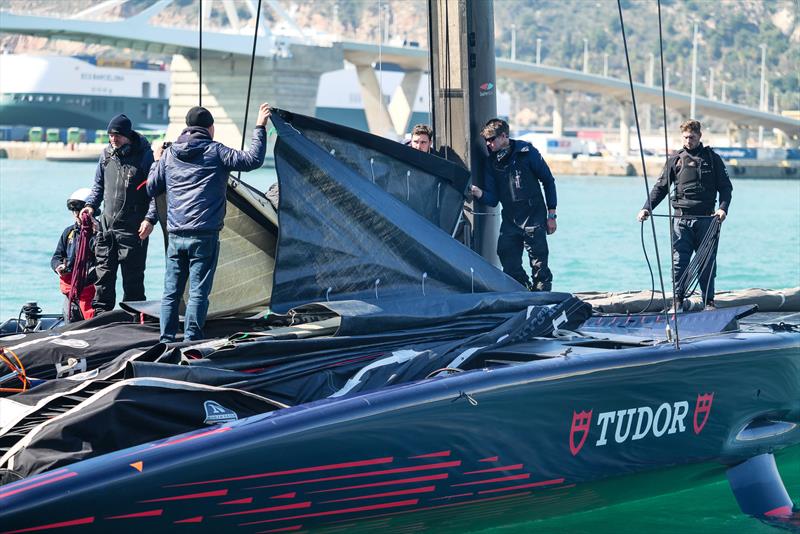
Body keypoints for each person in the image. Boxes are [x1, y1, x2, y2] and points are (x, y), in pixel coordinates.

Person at [147, 103, 270, 342]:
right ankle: (191, 340)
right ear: (210, 128)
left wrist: (156, 159)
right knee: (197, 293)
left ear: (187, 128)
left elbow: (151, 187)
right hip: (204, 234)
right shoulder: (216, 151)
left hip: (175, 234)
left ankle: (166, 339)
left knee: (171, 292)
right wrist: (260, 126)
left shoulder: (170, 154)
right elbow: (253, 160)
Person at [637, 119, 732, 310]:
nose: (689, 140)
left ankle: (709, 302)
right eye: (686, 137)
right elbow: (661, 188)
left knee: (706, 264)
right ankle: (678, 301)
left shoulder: (713, 159)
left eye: (692, 137)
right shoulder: (675, 160)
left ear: (700, 136)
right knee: (679, 262)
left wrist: (723, 208)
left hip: (707, 220)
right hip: (681, 219)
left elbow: (726, 188)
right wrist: (646, 208)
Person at [80, 114, 156, 313]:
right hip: (107, 228)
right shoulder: (106, 155)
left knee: (133, 280)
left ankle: (134, 319)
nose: (113, 139)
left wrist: (150, 219)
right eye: (111, 135)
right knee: (103, 276)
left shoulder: (144, 155)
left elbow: (155, 192)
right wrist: (90, 206)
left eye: (118, 135)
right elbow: (98, 186)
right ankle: (100, 316)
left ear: (128, 136)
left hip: (133, 229)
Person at [470, 118, 558, 291]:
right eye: (486, 141)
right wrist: (478, 192)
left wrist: (551, 215)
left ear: (503, 136)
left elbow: (548, 181)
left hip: (534, 216)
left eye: (492, 139)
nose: (489, 144)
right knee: (506, 256)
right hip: (511, 219)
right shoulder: (492, 162)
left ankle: (542, 296)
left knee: (539, 263)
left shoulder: (527, 152)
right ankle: (524, 290)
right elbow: (493, 199)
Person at [52, 188, 97, 322]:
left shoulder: (99, 234)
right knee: (69, 324)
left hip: (90, 291)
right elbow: (56, 256)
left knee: (91, 325)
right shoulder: (69, 233)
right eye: (74, 211)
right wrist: (58, 266)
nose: (76, 214)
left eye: (79, 211)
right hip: (70, 292)